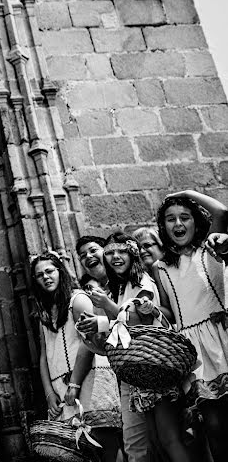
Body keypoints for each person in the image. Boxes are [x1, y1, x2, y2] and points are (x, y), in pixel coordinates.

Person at [77, 233, 189, 462]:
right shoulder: (118, 288)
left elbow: (142, 319)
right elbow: (120, 327)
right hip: (134, 369)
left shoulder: (142, 281)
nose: (115, 257)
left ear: (132, 253)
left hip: (154, 364)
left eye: (121, 251)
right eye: (109, 253)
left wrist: (105, 308)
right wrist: (95, 331)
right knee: (150, 442)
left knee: (168, 438)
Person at [153, 191, 228, 459]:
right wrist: (151, 309)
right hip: (194, 352)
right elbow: (168, 311)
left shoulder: (210, 247)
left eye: (185, 217)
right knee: (213, 425)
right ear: (163, 227)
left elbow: (221, 213)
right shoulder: (160, 267)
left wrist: (184, 194)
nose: (178, 224)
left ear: (196, 221)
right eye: (170, 219)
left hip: (222, 337)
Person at [31, 251, 121, 462]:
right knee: (79, 454)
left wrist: (75, 384)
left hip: (89, 381)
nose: (46, 277)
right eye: (39, 274)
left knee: (105, 445)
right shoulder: (44, 312)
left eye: (50, 271)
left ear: (60, 271)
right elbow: (44, 356)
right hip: (62, 391)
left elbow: (89, 342)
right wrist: (48, 393)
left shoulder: (78, 300)